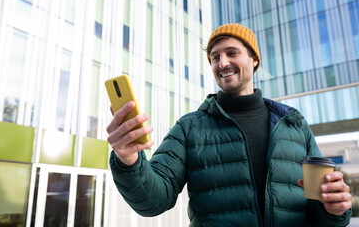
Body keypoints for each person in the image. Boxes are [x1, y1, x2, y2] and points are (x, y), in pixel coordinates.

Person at [107, 23, 352, 226]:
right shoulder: (189, 127)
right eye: (215, 57)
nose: (222, 63)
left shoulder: (295, 125)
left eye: (232, 53)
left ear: (254, 60)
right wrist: (128, 161)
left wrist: (335, 209)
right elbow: (153, 201)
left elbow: (324, 213)